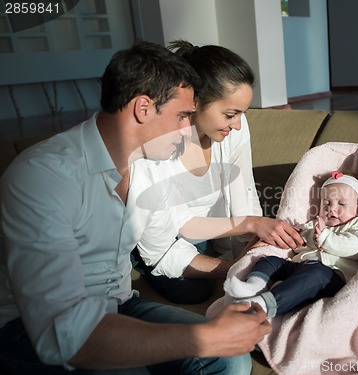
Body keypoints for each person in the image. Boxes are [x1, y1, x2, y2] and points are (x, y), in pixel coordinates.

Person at [0, 40, 271, 375]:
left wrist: (237, 268)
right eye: (183, 116)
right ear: (143, 108)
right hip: (29, 329)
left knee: (231, 360)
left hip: (120, 303)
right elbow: (65, 335)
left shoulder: (150, 167)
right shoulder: (44, 177)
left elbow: (161, 252)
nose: (189, 130)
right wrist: (203, 338)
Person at [131, 40, 304, 304]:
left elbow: (242, 191)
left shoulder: (234, 130)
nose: (237, 125)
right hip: (164, 236)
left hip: (208, 231)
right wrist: (236, 266)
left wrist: (255, 245)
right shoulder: (158, 149)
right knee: (193, 291)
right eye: (230, 114)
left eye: (241, 114)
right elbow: (174, 231)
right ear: (194, 101)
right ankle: (135, 256)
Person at [224, 171, 358, 318]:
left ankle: (265, 305)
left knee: (312, 277)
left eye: (342, 204)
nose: (332, 209)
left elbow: (357, 248)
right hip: (299, 265)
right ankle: (253, 287)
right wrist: (271, 241)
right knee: (269, 261)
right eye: (326, 204)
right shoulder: (315, 224)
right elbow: (296, 238)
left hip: (331, 274)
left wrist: (324, 237)